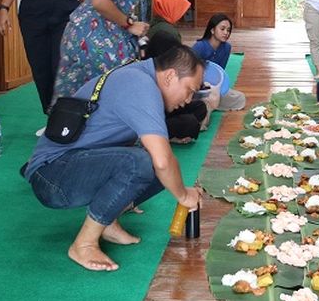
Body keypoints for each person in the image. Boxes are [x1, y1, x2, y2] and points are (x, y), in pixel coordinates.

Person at [23, 45, 204, 271]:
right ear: (170, 76)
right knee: (144, 163)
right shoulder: (140, 86)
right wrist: (184, 195)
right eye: (189, 90)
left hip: (70, 166)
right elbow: (161, 161)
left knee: (159, 165)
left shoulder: (139, 77)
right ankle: (84, 244)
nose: (189, 99)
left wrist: (179, 188)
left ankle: (107, 221)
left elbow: (164, 162)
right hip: (51, 177)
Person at [144, 31, 209, 143]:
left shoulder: (166, 71)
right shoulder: (150, 80)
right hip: (155, 121)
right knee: (190, 122)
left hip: (167, 111)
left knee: (200, 106)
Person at [192, 13, 245, 111]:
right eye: (222, 29)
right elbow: (189, 70)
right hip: (196, 87)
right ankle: (207, 104)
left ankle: (210, 104)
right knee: (201, 99)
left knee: (240, 98)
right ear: (212, 30)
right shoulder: (200, 46)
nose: (226, 33)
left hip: (213, 87)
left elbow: (220, 72)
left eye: (228, 30)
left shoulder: (226, 47)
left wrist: (215, 89)